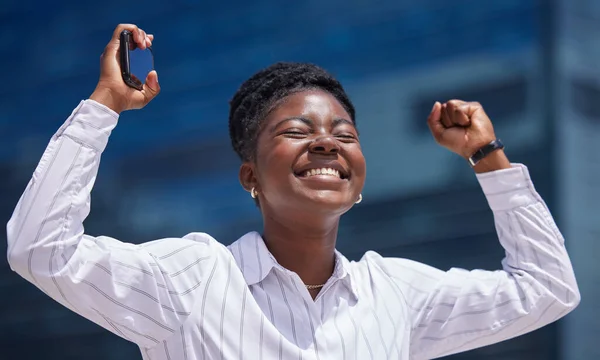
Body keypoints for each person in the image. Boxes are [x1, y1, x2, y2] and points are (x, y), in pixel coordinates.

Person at [6, 24, 579, 360]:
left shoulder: (397, 294)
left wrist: (488, 158)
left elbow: (549, 291)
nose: (326, 145)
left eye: (344, 135)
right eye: (297, 133)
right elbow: (41, 251)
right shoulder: (190, 279)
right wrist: (104, 105)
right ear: (250, 176)